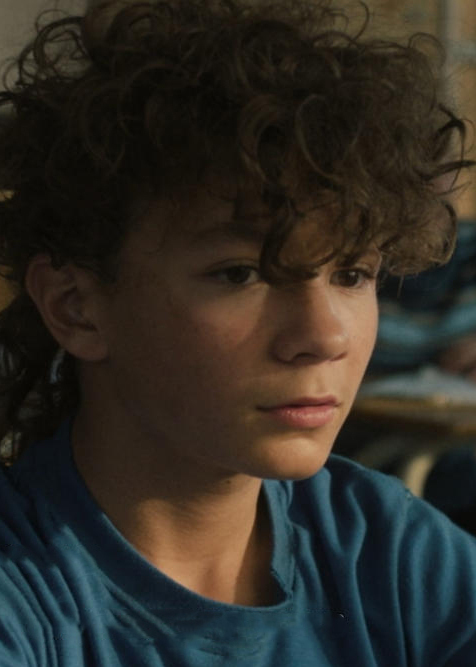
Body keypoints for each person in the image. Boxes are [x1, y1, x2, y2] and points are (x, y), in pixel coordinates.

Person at [0, 1, 475, 665]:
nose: (323, 336)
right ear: (75, 306)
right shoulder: (26, 600)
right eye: (240, 273)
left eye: (351, 273)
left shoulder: (389, 553)